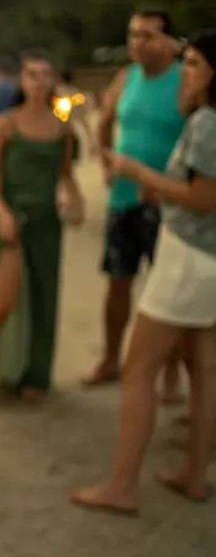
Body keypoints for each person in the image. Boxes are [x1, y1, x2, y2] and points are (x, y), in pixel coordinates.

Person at [71, 29, 216, 514]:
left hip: (188, 259)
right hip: (208, 257)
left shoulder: (207, 123)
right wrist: (167, 189)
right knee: (206, 367)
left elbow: (203, 198)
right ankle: (194, 476)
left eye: (194, 63)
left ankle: (122, 485)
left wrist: (142, 175)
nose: (186, 72)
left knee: (138, 368)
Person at [0, 50, 85, 409]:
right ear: (21, 80)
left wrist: (76, 203)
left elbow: (65, 175)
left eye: (45, 75)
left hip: (47, 221)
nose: (38, 81)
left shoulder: (62, 126)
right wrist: (2, 213)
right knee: (2, 300)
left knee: (46, 294)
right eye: (31, 74)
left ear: (52, 81)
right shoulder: (6, 123)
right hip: (12, 220)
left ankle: (36, 375)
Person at [83, 8, 186, 402]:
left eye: (147, 35)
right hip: (123, 199)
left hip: (168, 203)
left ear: (169, 41)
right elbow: (105, 121)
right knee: (118, 282)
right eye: (133, 34)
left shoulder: (185, 80)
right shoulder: (126, 78)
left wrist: (173, 184)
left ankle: (172, 375)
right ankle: (110, 358)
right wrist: (106, 160)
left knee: (169, 293)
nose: (138, 43)